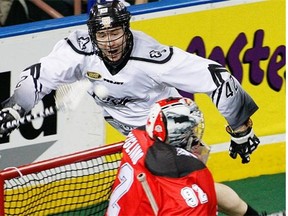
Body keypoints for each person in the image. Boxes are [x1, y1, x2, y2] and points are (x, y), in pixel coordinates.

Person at [0, 1, 261, 215]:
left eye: (115, 33)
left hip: (168, 135)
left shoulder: (152, 58)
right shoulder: (78, 50)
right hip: (135, 137)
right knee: (193, 190)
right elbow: (39, 75)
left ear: (127, 29)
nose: (110, 42)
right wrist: (16, 106)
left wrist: (242, 131)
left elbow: (217, 77)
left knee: (176, 197)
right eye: (102, 35)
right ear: (93, 34)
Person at [106, 97, 218, 215]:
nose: (194, 135)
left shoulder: (138, 135)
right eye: (190, 131)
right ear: (177, 135)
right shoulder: (180, 170)